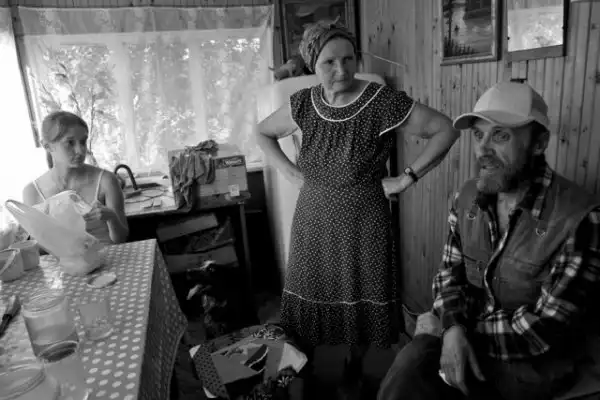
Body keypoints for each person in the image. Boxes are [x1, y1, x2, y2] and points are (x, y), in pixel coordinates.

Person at [256, 19, 459, 397]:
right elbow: (262, 132)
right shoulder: (302, 103)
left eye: (348, 59)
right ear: (312, 65)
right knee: (309, 293)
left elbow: (446, 129)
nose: (342, 70)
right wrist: (289, 171)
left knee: (361, 297)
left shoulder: (380, 101)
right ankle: (303, 369)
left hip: (364, 221)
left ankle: (354, 368)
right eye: (330, 62)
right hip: (312, 220)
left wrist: (406, 178)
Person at [377, 81, 600, 400]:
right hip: (464, 336)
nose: (483, 149)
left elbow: (546, 329)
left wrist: (454, 332)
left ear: (539, 143)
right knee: (408, 369)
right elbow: (448, 276)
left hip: (533, 365)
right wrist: (452, 328)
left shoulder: (580, 218)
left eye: (500, 136)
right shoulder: (467, 198)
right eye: (478, 135)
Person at [23, 111, 129, 244]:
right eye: (70, 143)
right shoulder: (32, 192)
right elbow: (38, 246)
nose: (80, 150)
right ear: (47, 146)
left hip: (110, 255)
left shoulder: (106, 181)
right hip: (62, 258)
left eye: (83, 141)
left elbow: (121, 239)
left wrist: (111, 217)